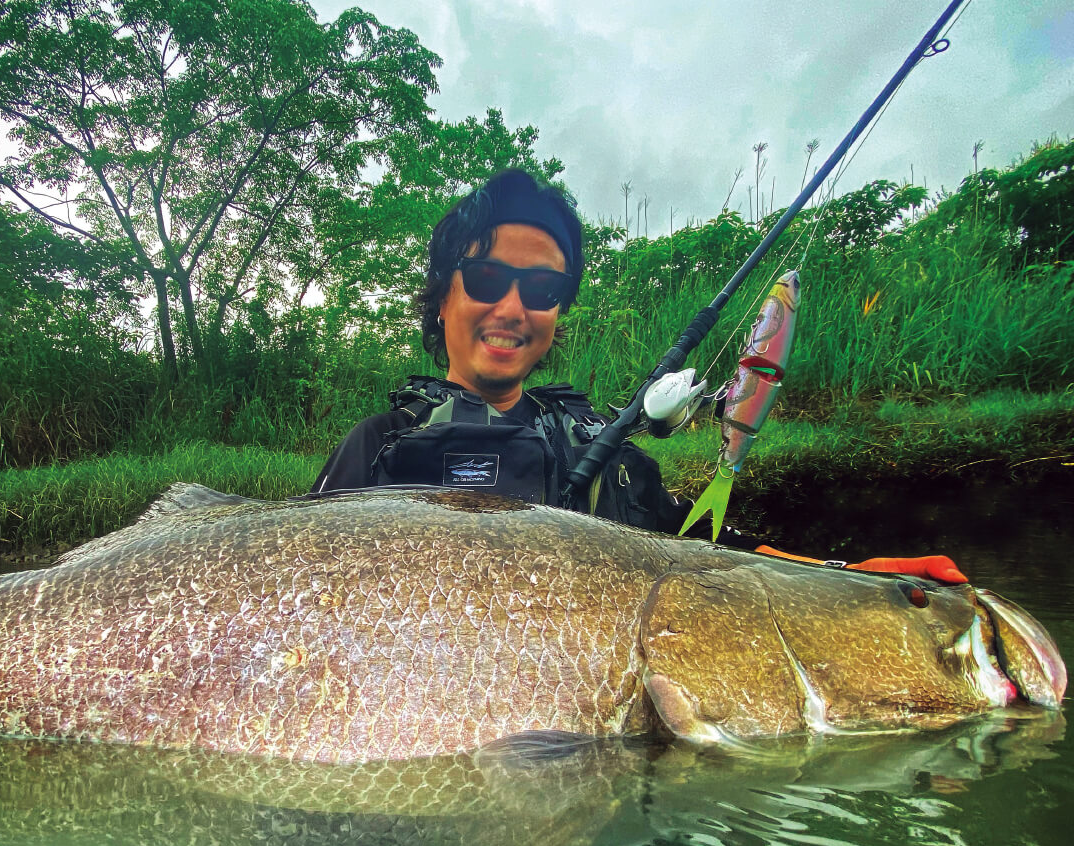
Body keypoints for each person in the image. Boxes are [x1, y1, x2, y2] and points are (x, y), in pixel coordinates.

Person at [311, 169, 966, 584]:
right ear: (443, 295)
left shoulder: (600, 448)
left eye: (540, 288)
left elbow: (713, 548)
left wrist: (850, 576)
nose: (513, 308)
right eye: (487, 279)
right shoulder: (377, 446)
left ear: (557, 310)